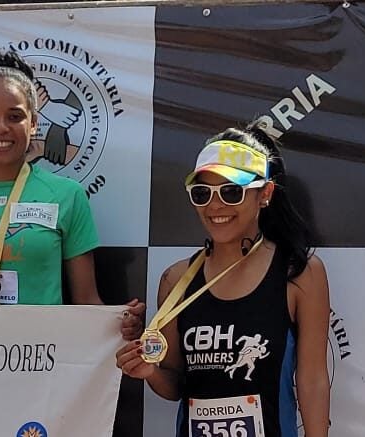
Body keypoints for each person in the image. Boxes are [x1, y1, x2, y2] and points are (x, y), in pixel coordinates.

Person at [116, 121, 330, 437]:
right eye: (202, 193)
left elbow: (312, 380)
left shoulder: (299, 273)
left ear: (265, 194)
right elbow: (174, 383)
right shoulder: (175, 280)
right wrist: (148, 371)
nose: (215, 205)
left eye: (231, 191)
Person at [0, 51, 143, 338]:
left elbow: (86, 301)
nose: (1, 127)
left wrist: (121, 326)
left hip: (38, 363)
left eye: (15, 116)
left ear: (34, 124)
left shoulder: (67, 196)